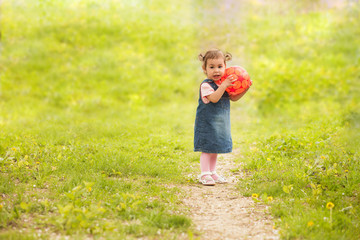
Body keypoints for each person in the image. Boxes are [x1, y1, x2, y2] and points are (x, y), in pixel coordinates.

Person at [194, 49, 250, 186]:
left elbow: (233, 98)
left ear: (226, 67)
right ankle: (204, 173)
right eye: (211, 67)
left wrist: (246, 88)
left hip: (220, 125)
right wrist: (224, 85)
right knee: (207, 148)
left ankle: (212, 172)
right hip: (207, 124)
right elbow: (214, 98)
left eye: (220, 67)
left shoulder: (223, 84)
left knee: (215, 149)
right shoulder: (206, 85)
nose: (216, 71)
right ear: (204, 68)